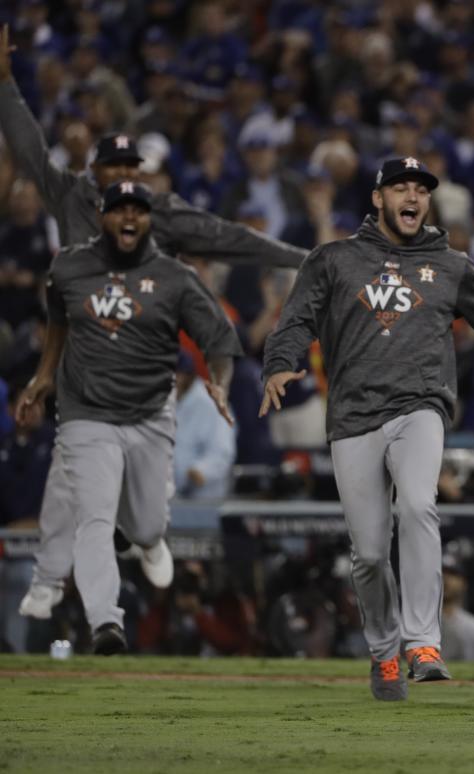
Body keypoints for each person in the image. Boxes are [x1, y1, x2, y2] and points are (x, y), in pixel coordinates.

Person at [1, 24, 308, 622]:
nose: (118, 176)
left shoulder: (155, 213)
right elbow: (28, 147)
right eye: (110, 166)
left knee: (118, 491)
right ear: (94, 169)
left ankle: (144, 534)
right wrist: (7, 84)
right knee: (71, 480)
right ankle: (49, 581)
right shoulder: (70, 198)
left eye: (127, 166)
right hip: (84, 354)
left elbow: (228, 239)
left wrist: (301, 257)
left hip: (141, 359)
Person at [259, 156, 474, 702]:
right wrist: (280, 361)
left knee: (419, 505)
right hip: (353, 416)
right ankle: (383, 651)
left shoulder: (450, 264)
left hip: (420, 406)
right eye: (400, 187)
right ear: (378, 199)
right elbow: (297, 317)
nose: (412, 196)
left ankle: (424, 642)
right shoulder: (335, 259)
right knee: (370, 552)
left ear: (428, 202)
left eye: (420, 189)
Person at [18, 181, 242, 655]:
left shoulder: (174, 277)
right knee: (94, 518)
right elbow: (58, 322)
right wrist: (44, 376)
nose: (129, 217)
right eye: (119, 209)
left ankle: (149, 538)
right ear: (103, 214)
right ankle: (106, 621)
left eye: (138, 210)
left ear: (148, 220)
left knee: (143, 525)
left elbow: (219, 338)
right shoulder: (69, 267)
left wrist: (219, 382)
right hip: (87, 413)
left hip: (148, 415)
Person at [173, 351, 236, 500]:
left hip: (206, 497)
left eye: (177, 374)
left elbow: (222, 452)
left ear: (187, 375)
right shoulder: (165, 400)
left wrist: (201, 470)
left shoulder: (210, 402)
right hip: (172, 495)